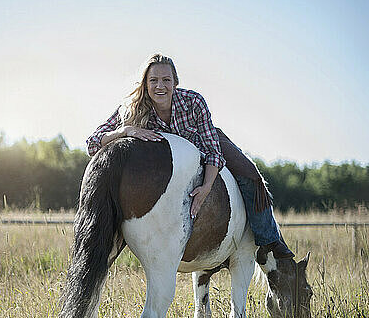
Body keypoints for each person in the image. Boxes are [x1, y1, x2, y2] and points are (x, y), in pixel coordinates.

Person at [86, 54, 294, 260]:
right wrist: (125, 131)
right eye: (154, 80)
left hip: (205, 140)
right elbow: (93, 142)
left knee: (250, 173)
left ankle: (269, 240)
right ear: (145, 83)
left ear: (175, 83)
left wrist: (206, 187)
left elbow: (213, 151)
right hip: (170, 162)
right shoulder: (133, 107)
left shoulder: (194, 102)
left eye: (166, 80)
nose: (160, 86)